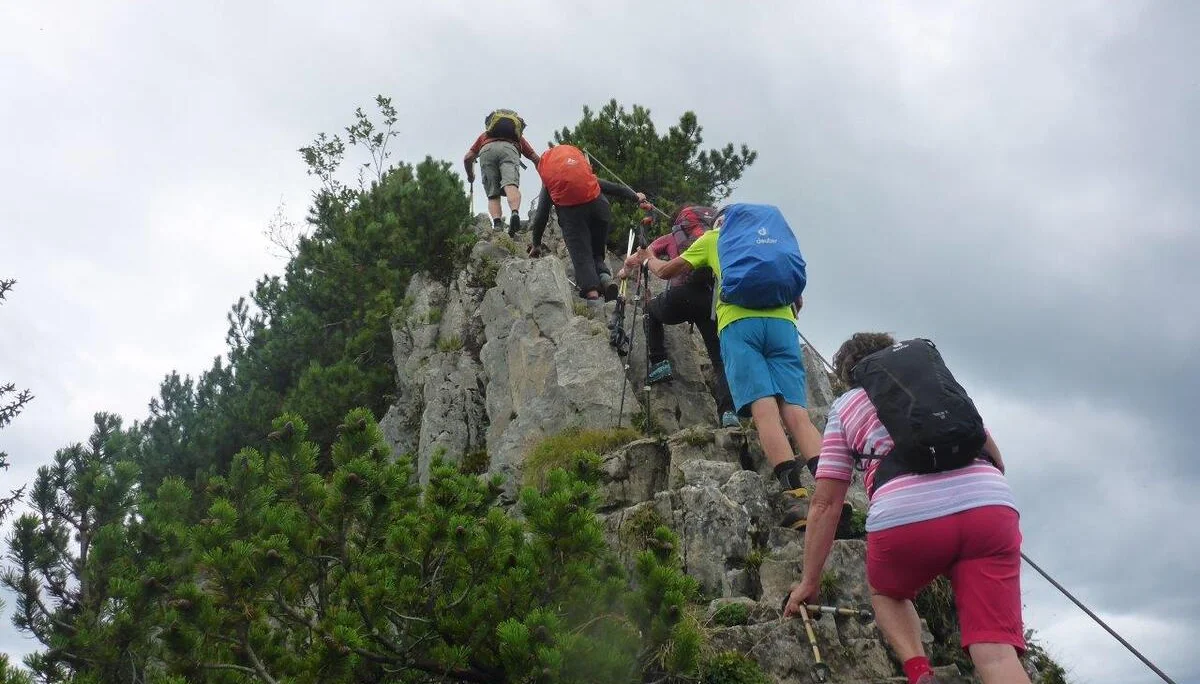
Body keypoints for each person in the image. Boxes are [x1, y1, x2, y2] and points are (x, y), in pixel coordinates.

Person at [784, 332, 1028, 684]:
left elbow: (826, 502)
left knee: (888, 593)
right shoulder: (936, 386)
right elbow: (994, 456)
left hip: (905, 515)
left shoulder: (847, 406)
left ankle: (919, 672)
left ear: (848, 376)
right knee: (997, 654)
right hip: (989, 504)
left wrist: (810, 581)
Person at [634, 204, 824, 529]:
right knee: (797, 413)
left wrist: (646, 259)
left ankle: (797, 498)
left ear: (719, 222)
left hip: (739, 323)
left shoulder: (713, 239)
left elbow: (667, 272)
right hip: (782, 324)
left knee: (765, 412)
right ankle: (833, 495)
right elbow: (798, 298)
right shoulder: (770, 242)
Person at [618, 204, 739, 428]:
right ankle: (729, 413)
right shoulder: (715, 237)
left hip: (679, 297)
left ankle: (660, 362)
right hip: (710, 302)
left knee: (650, 310)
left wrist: (625, 270)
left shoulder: (673, 237)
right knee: (719, 358)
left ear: (678, 222)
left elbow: (642, 256)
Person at [527, 144, 645, 301]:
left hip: (573, 216)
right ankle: (605, 279)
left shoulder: (550, 184)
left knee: (582, 256)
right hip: (600, 209)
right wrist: (635, 196)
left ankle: (594, 298)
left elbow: (541, 214)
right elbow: (614, 188)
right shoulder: (586, 178)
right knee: (596, 253)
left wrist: (536, 244)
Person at [463, 109, 541, 233]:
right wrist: (544, 173)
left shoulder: (484, 136)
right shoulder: (517, 138)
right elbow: (535, 158)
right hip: (509, 149)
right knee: (510, 184)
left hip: (486, 151)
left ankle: (497, 224)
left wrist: (470, 176)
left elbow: (467, 158)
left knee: (493, 193)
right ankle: (514, 212)